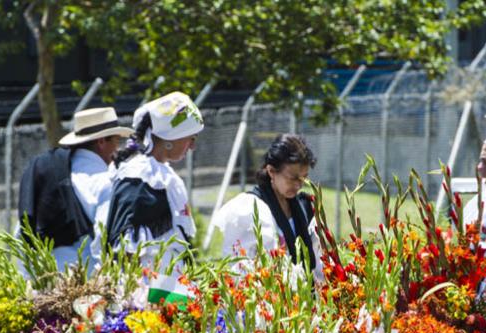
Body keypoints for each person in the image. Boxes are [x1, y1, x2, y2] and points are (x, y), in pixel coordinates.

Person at [95, 92, 204, 274]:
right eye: (190, 138)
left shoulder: (161, 173)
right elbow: (125, 248)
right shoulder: (140, 176)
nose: (192, 146)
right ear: (171, 138)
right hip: (146, 290)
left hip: (168, 285)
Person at [18, 107, 132, 271]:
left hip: (45, 280)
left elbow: (23, 227)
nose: (118, 148)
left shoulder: (47, 171)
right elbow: (105, 238)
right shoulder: (104, 181)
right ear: (101, 142)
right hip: (89, 281)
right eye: (116, 141)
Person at [210, 134, 322, 280]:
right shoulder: (249, 209)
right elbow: (240, 269)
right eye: (293, 178)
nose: (298, 185)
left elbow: (318, 260)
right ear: (271, 171)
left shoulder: (304, 206)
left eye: (303, 178)